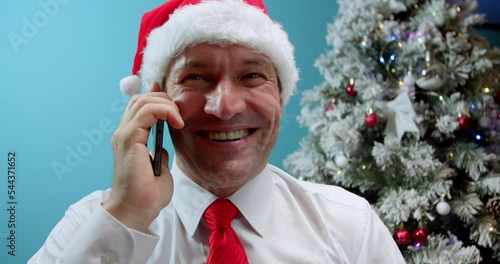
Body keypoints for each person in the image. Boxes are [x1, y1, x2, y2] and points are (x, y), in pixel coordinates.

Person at [29, 0, 406, 263]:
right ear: (155, 101)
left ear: (280, 95)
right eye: (196, 77)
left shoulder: (350, 226)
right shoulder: (91, 224)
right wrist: (126, 216)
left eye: (252, 76)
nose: (226, 106)